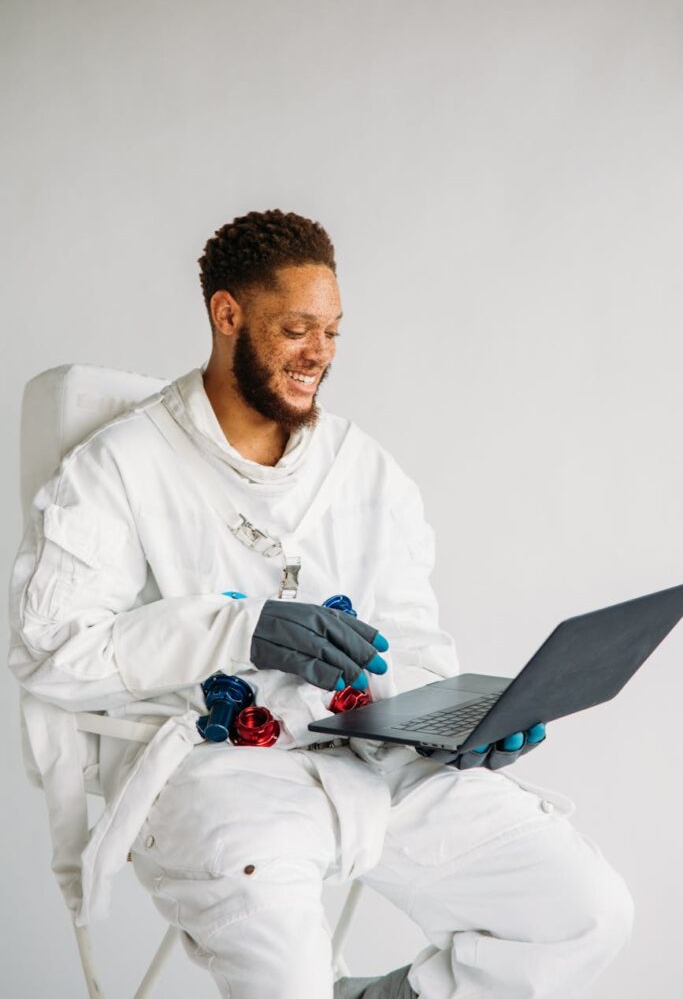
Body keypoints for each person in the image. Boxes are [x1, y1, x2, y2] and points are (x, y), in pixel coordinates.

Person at [9, 210, 634, 999]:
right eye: (297, 329)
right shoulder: (123, 465)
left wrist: (461, 724)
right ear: (226, 314)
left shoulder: (360, 468)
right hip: (220, 775)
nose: (320, 356)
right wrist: (237, 628)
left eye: (333, 332)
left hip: (374, 758)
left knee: (583, 913)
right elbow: (48, 650)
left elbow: (409, 637)